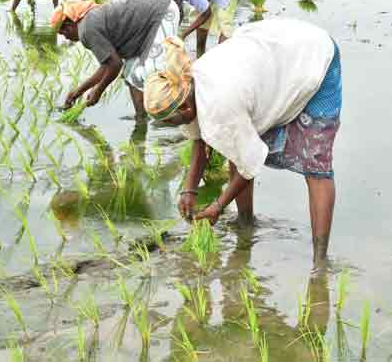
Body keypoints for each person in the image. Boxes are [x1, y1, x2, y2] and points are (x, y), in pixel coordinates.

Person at [143, 19, 342, 263]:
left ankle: (320, 261)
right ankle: (245, 222)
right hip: (270, 56)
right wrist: (189, 189)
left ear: (184, 107)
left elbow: (249, 164)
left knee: (316, 164)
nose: (168, 126)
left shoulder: (220, 104)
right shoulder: (188, 86)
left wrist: (219, 205)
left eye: (169, 121)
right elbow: (200, 141)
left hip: (310, 58)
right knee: (235, 145)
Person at [53, 0, 180, 119]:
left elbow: (115, 65)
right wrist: (78, 92)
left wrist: (98, 91)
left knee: (152, 70)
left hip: (162, 13)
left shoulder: (86, 29)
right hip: (146, 27)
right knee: (131, 75)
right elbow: (107, 65)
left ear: (68, 27)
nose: (66, 38)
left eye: (63, 34)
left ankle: (183, 108)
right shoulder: (88, 22)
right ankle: (141, 119)